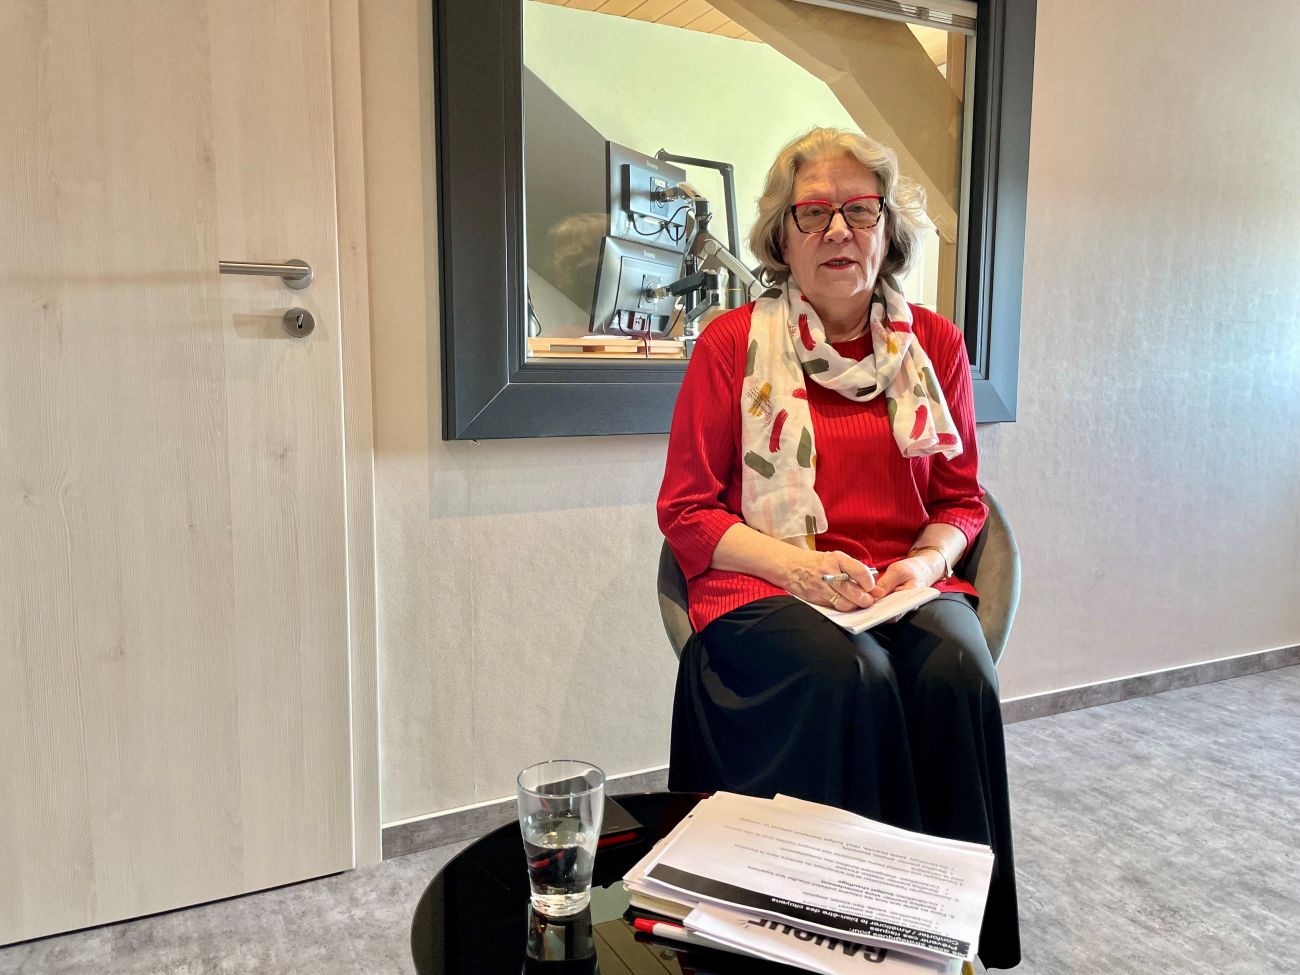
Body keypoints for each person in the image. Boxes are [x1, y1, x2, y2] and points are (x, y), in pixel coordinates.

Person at [656, 127, 1020, 970]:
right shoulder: (730, 344)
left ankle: (942, 939)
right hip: (766, 586)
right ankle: (822, 934)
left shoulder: (937, 345)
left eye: (859, 210)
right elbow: (687, 510)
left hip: (901, 585)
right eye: (812, 212)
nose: (837, 230)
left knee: (958, 672)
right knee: (849, 673)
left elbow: (961, 504)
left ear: (887, 229)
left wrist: (922, 565)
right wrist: (800, 566)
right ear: (780, 238)